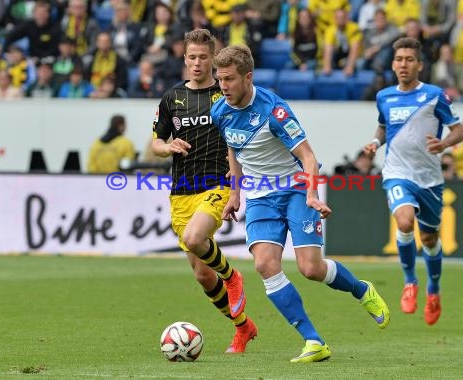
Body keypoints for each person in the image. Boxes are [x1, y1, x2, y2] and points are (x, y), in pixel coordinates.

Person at [212, 44, 389, 363]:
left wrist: (310, 194)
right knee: (265, 265)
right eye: (219, 79)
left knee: (310, 268)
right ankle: (313, 340)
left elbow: (308, 156)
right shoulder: (220, 111)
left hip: (295, 189)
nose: (223, 86)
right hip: (260, 196)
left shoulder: (274, 110)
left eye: (229, 79)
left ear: (248, 77)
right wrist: (235, 194)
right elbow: (233, 150)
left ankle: (362, 290)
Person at [151, 29, 257, 354]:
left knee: (198, 239)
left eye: (203, 57)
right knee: (201, 275)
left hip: (216, 185)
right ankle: (243, 328)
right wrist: (167, 147)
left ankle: (232, 275)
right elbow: (154, 143)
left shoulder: (223, 96)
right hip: (181, 192)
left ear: (213, 58)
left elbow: (236, 138)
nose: (197, 63)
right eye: (192, 57)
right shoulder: (172, 98)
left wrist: (236, 179)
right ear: (184, 59)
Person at [364, 37, 463, 326]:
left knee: (430, 239)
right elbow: (384, 127)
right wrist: (374, 142)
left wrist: (444, 144)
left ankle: (433, 289)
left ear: (420, 64)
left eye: (409, 59)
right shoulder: (384, 96)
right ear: (393, 64)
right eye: (399, 59)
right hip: (397, 172)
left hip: (430, 179)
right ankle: (410, 282)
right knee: (405, 222)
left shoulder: (435, 95)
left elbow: (459, 132)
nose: (403, 64)